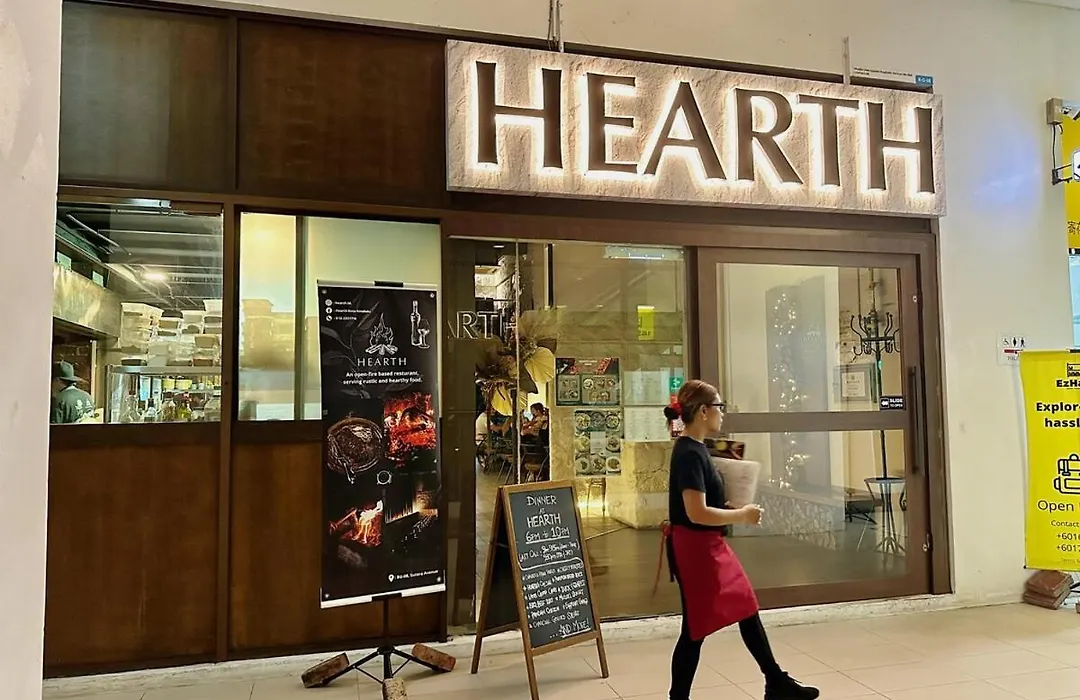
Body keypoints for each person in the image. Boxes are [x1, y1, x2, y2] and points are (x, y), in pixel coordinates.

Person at [664, 379, 818, 700]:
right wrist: (742, 516)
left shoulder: (696, 449)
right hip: (697, 549)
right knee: (695, 628)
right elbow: (695, 512)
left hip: (706, 546)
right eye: (719, 407)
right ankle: (679, 697)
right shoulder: (689, 453)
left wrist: (728, 507)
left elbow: (701, 505)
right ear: (703, 411)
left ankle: (775, 681)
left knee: (745, 607)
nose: (723, 413)